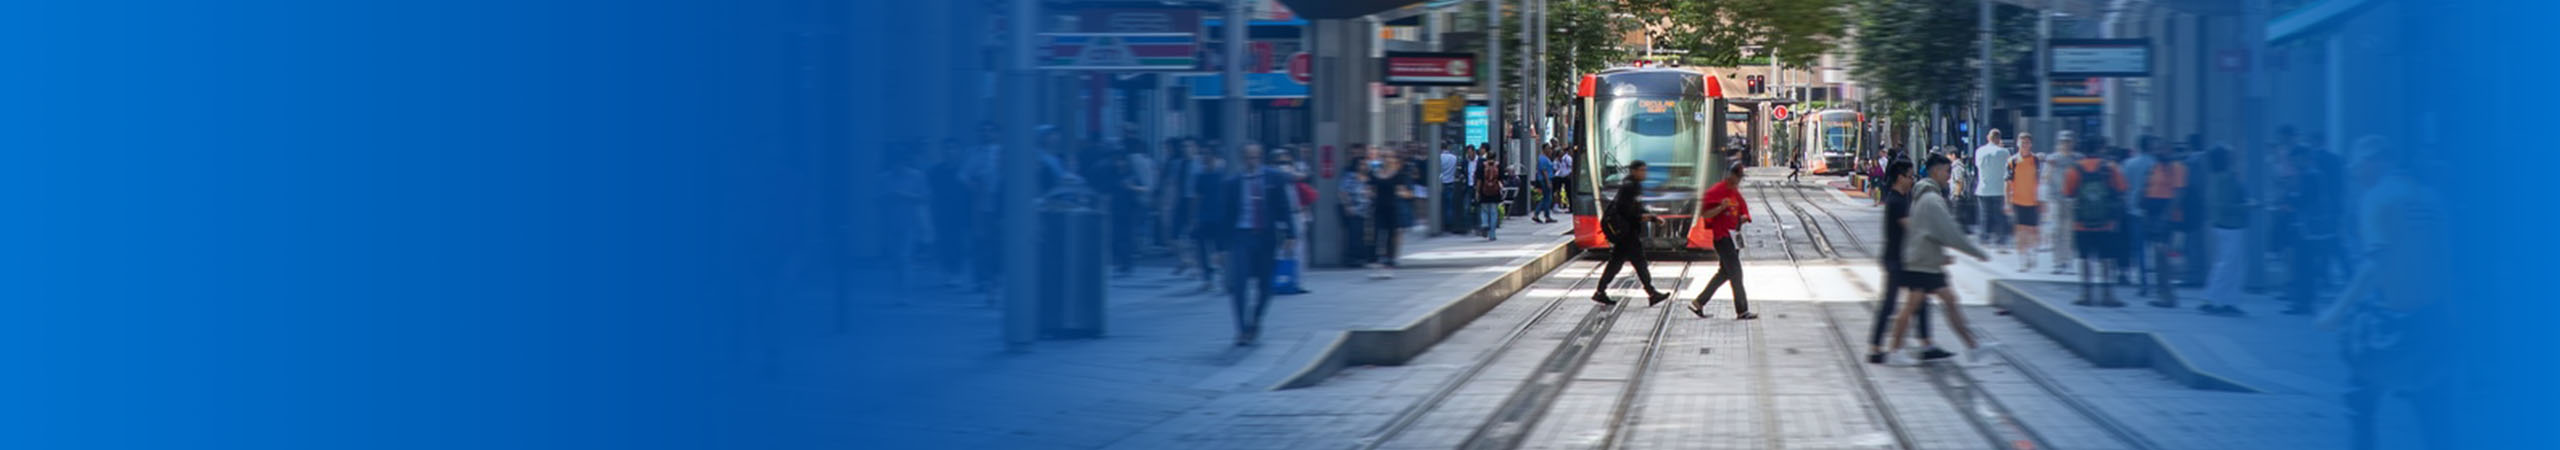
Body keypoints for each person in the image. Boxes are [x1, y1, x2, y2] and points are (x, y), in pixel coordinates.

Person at [2315, 136, 2452, 450]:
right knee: (2435, 413)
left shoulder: (2378, 198)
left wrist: (2335, 311)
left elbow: (2375, 263)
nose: (2354, 176)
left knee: (2358, 401)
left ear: (2369, 163)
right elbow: (2447, 265)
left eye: (2355, 168)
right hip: (2431, 320)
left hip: (2391, 324)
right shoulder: (2432, 199)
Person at [1885, 154, 1997, 364]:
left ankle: (1972, 346)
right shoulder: (1932, 200)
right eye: (1946, 172)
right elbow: (1950, 232)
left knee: (1941, 302)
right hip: (1922, 265)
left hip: (1924, 261)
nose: (1949, 177)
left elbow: (1929, 232)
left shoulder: (1924, 196)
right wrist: (1977, 252)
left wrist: (1940, 254)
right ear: (1936, 171)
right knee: (1921, 306)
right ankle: (1895, 350)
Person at [1216, 144, 1299, 346]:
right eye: (1247, 157)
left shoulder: (1274, 178)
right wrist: (1220, 248)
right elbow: (1225, 216)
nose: (1251, 161)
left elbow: (1284, 207)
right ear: (1242, 159)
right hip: (1241, 236)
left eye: (1255, 157)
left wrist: (1290, 234)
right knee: (1239, 283)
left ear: (1260, 158)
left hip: (1266, 237)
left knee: (1265, 285)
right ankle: (1241, 330)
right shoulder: (1233, 183)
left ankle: (1256, 320)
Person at [1865, 161, 1948, 363]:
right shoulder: (1895, 201)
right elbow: (1912, 227)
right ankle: (1878, 348)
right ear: (1900, 177)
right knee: (1892, 304)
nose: (1913, 180)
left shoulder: (1905, 198)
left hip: (1905, 259)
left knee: (1919, 299)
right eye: (1910, 176)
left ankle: (1925, 344)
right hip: (1895, 260)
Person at [2273, 127, 2344, 315]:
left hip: (2309, 227)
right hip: (2308, 226)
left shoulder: (2310, 175)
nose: (2294, 163)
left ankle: (2303, 302)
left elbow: (2306, 199)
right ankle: (2303, 301)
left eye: (2296, 159)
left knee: (2303, 265)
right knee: (2304, 264)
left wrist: (2290, 198)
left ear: (2303, 158)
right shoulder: (2311, 174)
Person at [1591, 160, 1675, 306]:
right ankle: (1651, 293)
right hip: (1627, 232)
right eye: (1642, 170)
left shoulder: (1633, 185)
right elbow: (1626, 210)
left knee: (1616, 263)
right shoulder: (1629, 186)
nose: (1644, 173)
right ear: (1634, 171)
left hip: (1626, 232)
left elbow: (1637, 207)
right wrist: (1642, 217)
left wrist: (1652, 218)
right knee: (1639, 262)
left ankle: (1600, 291)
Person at [1687, 161, 1757, 320]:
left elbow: (1743, 209)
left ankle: (1698, 303)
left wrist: (1745, 217)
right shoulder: (1717, 191)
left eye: (1740, 177)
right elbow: (1705, 214)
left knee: (1724, 273)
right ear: (1730, 174)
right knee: (1736, 274)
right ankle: (1742, 310)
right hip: (1722, 238)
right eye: (1736, 176)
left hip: (1733, 238)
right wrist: (1720, 207)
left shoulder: (1735, 192)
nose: (1738, 180)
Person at [2065, 147, 2130, 307]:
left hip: (2082, 223)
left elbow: (2068, 193)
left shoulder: (2075, 169)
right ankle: (2108, 295)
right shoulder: (2110, 167)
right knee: (2107, 259)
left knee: (2085, 258)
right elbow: (2122, 188)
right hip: (2106, 223)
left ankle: (2086, 295)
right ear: (2100, 150)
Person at [2198, 146, 2251, 316]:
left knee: (2231, 264)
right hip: (2231, 225)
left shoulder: (2217, 177)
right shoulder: (2226, 178)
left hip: (2224, 225)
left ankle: (2228, 300)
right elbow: (2225, 205)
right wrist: (2248, 206)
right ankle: (2212, 298)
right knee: (2228, 265)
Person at [2138, 143, 2189, 307]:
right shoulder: (2154, 167)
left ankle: (2168, 294)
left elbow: (2180, 192)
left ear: (2170, 150)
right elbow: (2147, 190)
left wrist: (2166, 215)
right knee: (2158, 255)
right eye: (2157, 148)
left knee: (2163, 254)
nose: (2159, 151)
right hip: (2153, 215)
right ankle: (2162, 293)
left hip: (2166, 216)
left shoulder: (2177, 168)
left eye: (2163, 148)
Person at [880, 145, 930, 304]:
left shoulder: (917, 176)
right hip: (890, 222)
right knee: (895, 259)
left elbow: (924, 198)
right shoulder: (883, 178)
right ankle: (896, 290)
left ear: (905, 162)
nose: (898, 167)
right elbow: (877, 200)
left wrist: (904, 195)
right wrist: (887, 197)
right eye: (895, 163)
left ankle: (905, 293)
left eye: (901, 163)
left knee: (905, 257)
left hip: (910, 222)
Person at [1189, 152, 1232, 292]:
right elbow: (1197, 198)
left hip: (1218, 217)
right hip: (1205, 217)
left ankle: (1223, 278)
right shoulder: (1203, 177)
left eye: (1209, 160)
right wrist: (1195, 217)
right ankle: (1209, 278)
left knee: (1220, 250)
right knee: (1204, 249)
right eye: (1205, 161)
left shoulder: (1222, 177)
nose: (1207, 163)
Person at [1372, 150, 1416, 278]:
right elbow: (1371, 189)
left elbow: (1406, 192)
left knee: (1391, 235)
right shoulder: (1376, 174)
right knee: (1379, 234)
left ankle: (1389, 261)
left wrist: (1402, 193)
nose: (1387, 159)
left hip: (1392, 208)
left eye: (1389, 157)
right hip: (1379, 208)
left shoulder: (1398, 175)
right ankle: (1380, 259)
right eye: (1384, 157)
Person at [2042, 132, 2080, 274]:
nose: (2066, 144)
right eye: (2063, 142)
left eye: (2068, 141)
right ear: (2058, 143)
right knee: (2056, 231)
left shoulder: (2077, 159)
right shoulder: (2052, 159)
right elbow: (2045, 178)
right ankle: (2057, 263)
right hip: (2056, 200)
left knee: (2069, 232)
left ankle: (2068, 262)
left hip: (2072, 199)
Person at [2006, 132, 2045, 272]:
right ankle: (2023, 260)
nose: (2025, 145)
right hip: (2017, 200)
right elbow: (2008, 182)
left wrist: (2042, 200)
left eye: (2027, 142)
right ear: (2018, 144)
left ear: (2031, 144)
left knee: (2033, 231)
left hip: (2033, 200)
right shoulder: (2012, 161)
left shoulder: (2036, 160)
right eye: (2022, 142)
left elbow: (2040, 181)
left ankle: (2031, 253)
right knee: (2020, 231)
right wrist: (2007, 202)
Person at [1974, 130, 2014, 246]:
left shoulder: (1980, 151)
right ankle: (2001, 238)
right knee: (2000, 215)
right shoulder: (2005, 152)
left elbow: (1977, 165)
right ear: (1999, 139)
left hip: (1983, 188)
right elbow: (2009, 168)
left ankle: (1984, 238)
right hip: (2000, 188)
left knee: (1984, 215)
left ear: (1988, 138)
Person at [1339, 154, 1375, 268]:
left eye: (1365, 164)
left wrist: (1371, 194)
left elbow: (1373, 192)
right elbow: (1342, 192)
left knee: (1365, 236)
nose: (1364, 166)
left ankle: (1364, 257)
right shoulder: (1350, 177)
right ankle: (1354, 258)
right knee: (1355, 235)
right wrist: (1347, 206)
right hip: (1355, 210)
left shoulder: (1369, 178)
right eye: (1361, 164)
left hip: (1367, 211)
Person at [1476, 154, 1506, 241]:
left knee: (1484, 210)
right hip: (1495, 192)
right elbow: (1501, 180)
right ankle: (1492, 234)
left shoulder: (1482, 166)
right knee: (1494, 212)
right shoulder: (1499, 166)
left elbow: (1479, 180)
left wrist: (1477, 192)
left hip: (1484, 191)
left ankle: (1485, 223)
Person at [1531, 148, 1557, 223]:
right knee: (1547, 198)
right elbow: (1544, 171)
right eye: (1549, 148)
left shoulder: (1545, 158)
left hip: (1546, 179)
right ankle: (1541, 215)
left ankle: (1544, 215)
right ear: (1545, 149)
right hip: (1545, 180)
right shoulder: (1543, 159)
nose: (1551, 150)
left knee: (1546, 198)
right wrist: (1548, 181)